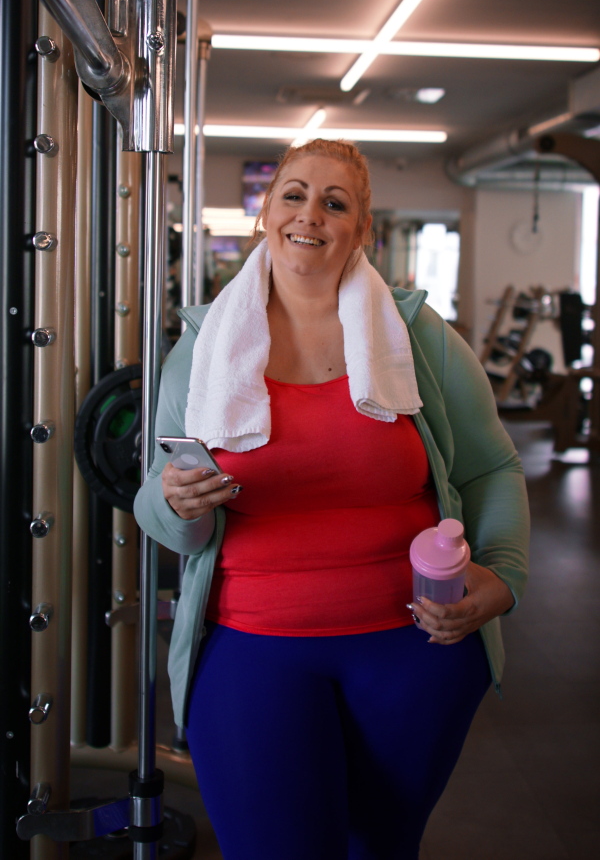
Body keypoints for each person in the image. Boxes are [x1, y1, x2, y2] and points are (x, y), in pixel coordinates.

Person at [134, 138, 529, 860]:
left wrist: (503, 576)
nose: (308, 214)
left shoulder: (416, 336)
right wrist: (177, 502)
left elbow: (492, 467)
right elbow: (159, 514)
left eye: (334, 201)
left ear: (361, 228)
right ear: (265, 213)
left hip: (415, 650)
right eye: (293, 194)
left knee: (379, 849)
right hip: (254, 645)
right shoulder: (202, 345)